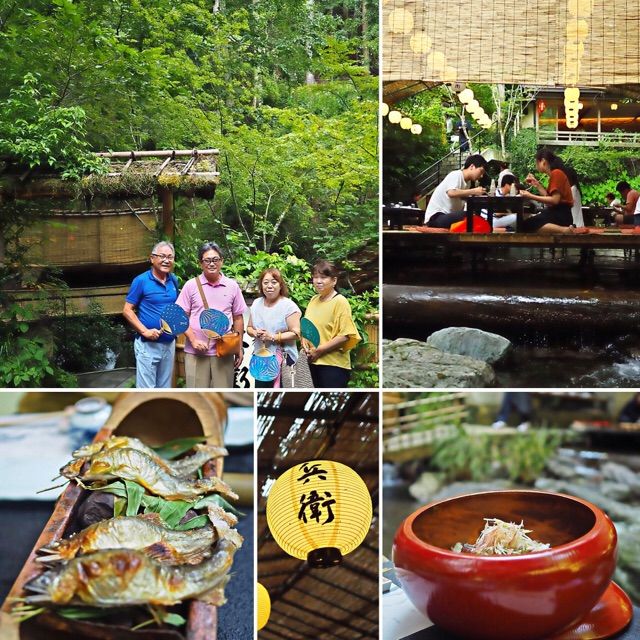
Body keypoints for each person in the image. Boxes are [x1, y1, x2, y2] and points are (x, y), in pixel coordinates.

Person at [176, 242, 247, 388]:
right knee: (197, 396)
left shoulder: (232, 286)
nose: (212, 263)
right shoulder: (191, 285)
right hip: (196, 352)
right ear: (200, 263)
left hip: (224, 351)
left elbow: (238, 318)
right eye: (207, 260)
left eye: (215, 259)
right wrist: (193, 340)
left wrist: (238, 347)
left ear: (222, 261)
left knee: (223, 395)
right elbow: (180, 316)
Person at [123, 241, 180, 388]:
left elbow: (176, 309)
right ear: (152, 258)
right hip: (148, 345)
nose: (166, 260)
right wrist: (145, 331)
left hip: (169, 343)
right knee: (146, 390)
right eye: (162, 256)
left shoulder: (173, 280)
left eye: (170, 257)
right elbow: (127, 310)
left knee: (165, 387)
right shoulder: (141, 281)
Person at [303, 260, 361, 388]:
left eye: (323, 277)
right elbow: (307, 326)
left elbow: (345, 335)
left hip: (333, 365)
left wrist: (319, 351)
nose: (318, 281)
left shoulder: (340, 302)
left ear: (334, 281)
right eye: (315, 277)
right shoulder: (313, 300)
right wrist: (305, 343)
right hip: (312, 362)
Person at [247, 268, 301, 388]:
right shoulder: (256, 303)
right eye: (265, 282)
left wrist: (272, 337)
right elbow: (249, 328)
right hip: (261, 360)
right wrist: (255, 333)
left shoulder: (289, 306)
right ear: (261, 285)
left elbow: (296, 333)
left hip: (284, 360)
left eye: (274, 282)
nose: (269, 286)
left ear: (280, 285)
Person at [520, 150, 578, 234]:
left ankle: (564, 230)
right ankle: (563, 229)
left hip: (560, 214)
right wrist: (537, 184)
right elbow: (548, 197)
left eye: (537, 163)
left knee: (525, 225)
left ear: (543, 161)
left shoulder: (557, 173)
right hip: (559, 213)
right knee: (526, 224)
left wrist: (530, 195)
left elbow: (554, 200)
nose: (536, 166)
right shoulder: (554, 174)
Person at [423, 154, 488, 228]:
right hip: (435, 217)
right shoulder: (456, 175)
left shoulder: (468, 183)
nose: (481, 176)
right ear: (472, 166)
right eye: (481, 171)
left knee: (479, 220)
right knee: (468, 215)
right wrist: (473, 191)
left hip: (449, 217)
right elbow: (451, 193)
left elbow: (462, 200)